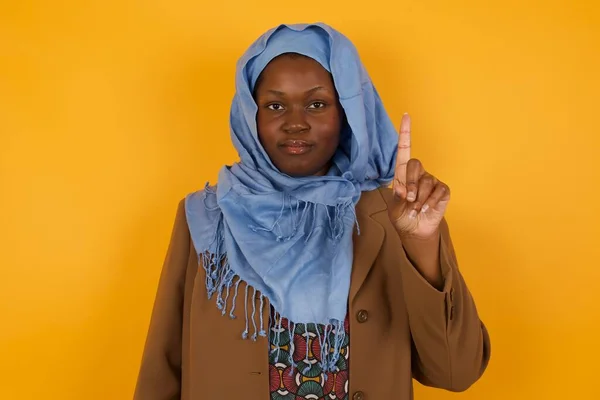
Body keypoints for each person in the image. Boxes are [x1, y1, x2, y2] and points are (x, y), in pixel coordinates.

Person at [133, 22, 490, 400]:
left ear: (347, 114)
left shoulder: (397, 216)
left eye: (317, 104)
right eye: (274, 105)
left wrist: (421, 245)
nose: (296, 123)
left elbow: (456, 371)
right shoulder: (206, 217)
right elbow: (164, 366)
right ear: (250, 115)